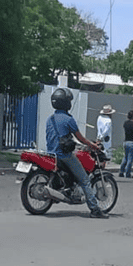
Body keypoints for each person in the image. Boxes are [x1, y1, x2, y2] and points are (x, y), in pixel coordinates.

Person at [46, 87, 108, 219]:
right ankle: (94, 209)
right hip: (64, 156)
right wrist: (91, 145)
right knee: (85, 180)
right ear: (66, 103)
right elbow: (80, 138)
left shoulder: (50, 119)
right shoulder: (69, 119)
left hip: (51, 154)